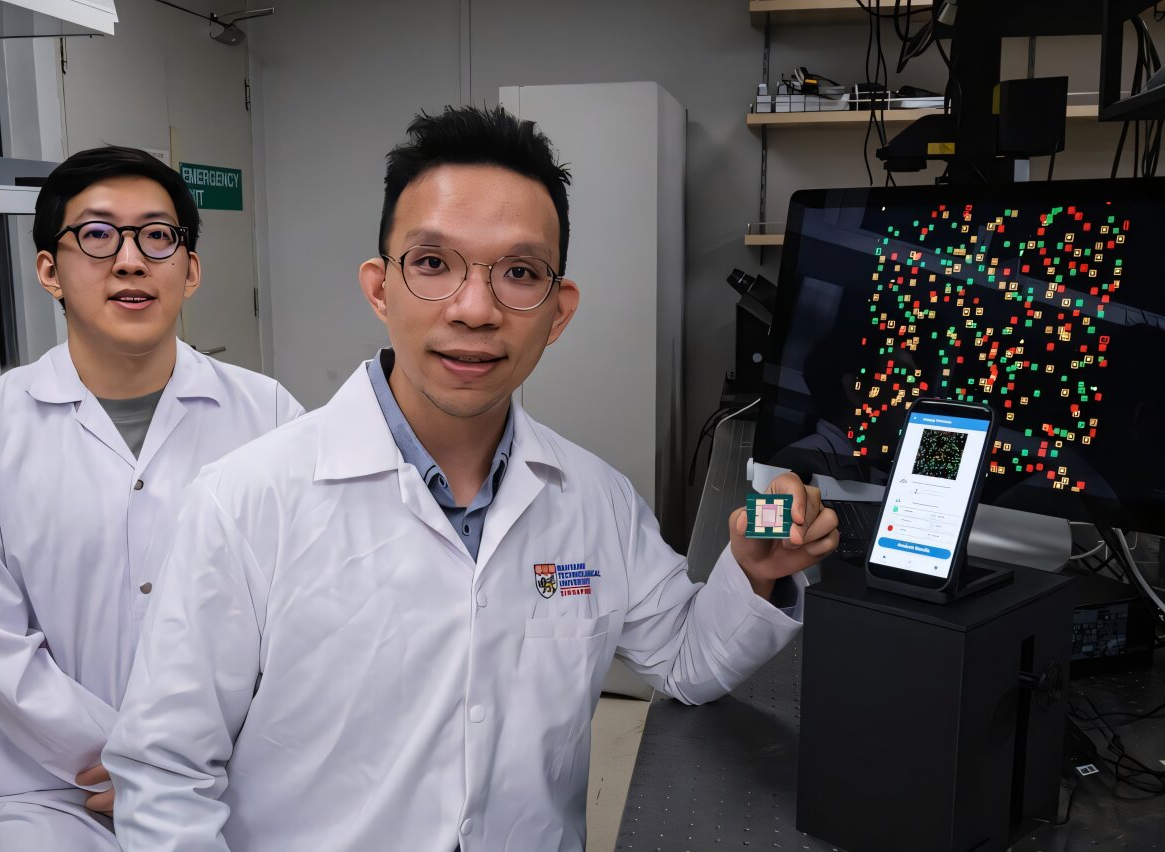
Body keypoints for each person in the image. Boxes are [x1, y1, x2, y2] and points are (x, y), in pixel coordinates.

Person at [104, 107, 839, 851]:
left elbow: (685, 661)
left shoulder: (593, 502)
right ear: (379, 288)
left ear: (558, 312)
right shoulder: (245, 502)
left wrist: (754, 575)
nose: (476, 309)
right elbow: (165, 775)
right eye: (432, 263)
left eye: (520, 273)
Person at [0, 146, 304, 851]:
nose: (130, 260)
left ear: (188, 269)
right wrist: (139, 763)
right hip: (49, 788)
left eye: (157, 236)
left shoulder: (271, 416)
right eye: (97, 235)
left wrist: (179, 766)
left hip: (229, 772)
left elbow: (299, 617)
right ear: (49, 270)